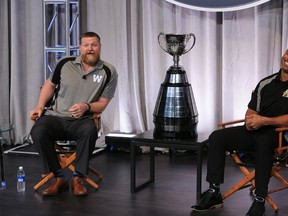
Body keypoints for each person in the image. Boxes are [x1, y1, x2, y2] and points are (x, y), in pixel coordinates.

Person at [191, 49, 288, 216]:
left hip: (281, 136)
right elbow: (251, 110)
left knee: (264, 141)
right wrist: (250, 122)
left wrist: (264, 121)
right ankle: (214, 192)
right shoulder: (266, 83)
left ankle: (259, 200)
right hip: (257, 130)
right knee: (217, 137)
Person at [30, 31, 118, 196]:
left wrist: (86, 106)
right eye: (86, 45)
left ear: (100, 47)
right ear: (80, 47)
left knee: (90, 130)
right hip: (55, 117)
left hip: (82, 120)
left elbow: (103, 104)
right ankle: (59, 177)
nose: (90, 49)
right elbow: (49, 85)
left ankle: (78, 177)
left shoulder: (108, 71)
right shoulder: (64, 63)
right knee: (38, 130)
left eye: (94, 45)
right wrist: (39, 106)